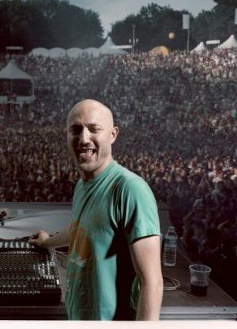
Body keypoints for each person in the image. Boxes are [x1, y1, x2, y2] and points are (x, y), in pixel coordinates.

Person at [30, 99, 163, 320]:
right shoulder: (81, 186)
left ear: (113, 134)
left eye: (94, 129)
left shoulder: (130, 189)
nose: (84, 138)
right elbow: (82, 228)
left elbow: (152, 282)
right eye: (75, 130)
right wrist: (48, 242)